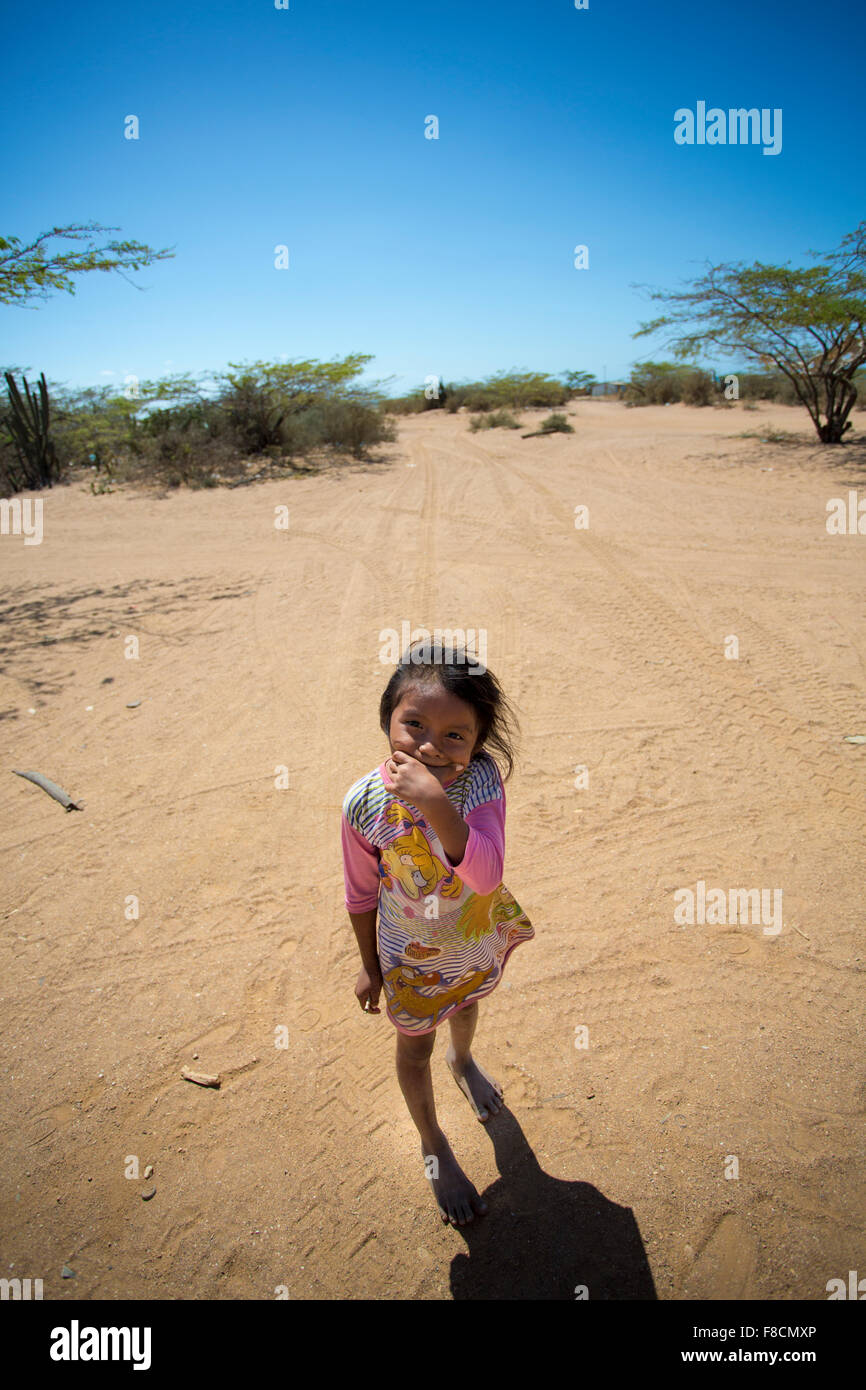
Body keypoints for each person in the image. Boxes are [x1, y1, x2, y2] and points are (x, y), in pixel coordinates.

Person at [340, 639, 534, 1226]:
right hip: (408, 953)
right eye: (414, 724)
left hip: (470, 934)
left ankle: (465, 1060)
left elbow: (484, 874)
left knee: (469, 1003)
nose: (429, 746)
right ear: (387, 721)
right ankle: (434, 1145)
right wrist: (370, 965)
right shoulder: (364, 803)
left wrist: (434, 803)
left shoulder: (480, 785)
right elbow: (360, 893)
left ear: (477, 744)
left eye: (455, 735)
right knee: (414, 1044)